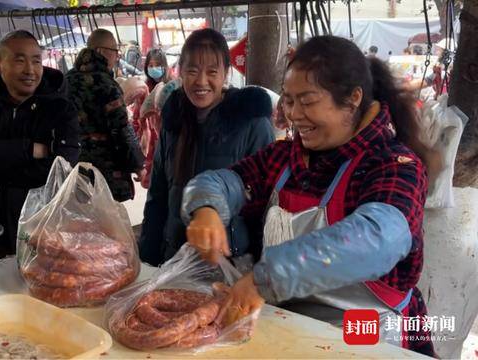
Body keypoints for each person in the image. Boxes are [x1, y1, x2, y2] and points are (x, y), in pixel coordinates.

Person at [181, 35, 436, 357]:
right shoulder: (282, 158)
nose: (294, 114)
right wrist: (206, 208)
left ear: (353, 98)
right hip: (288, 325)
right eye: (288, 100)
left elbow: (378, 239)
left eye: (308, 100)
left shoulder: (395, 165)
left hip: (368, 332)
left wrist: (266, 278)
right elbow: (218, 182)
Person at [138, 28, 275, 267]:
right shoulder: (173, 122)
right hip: (174, 259)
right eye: (192, 71)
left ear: (226, 74)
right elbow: (157, 197)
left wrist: (258, 270)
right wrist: (147, 259)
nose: (201, 81)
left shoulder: (252, 123)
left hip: (227, 265)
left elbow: (265, 205)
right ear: (180, 72)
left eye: (212, 71)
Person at [0, 30, 80, 260]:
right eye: (19, 60)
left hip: (42, 227)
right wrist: (29, 150)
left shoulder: (61, 109)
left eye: (36, 61)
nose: (30, 70)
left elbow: (61, 168)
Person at [66, 29, 144, 202]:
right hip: (103, 171)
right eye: (115, 51)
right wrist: (138, 165)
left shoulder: (67, 80)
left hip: (72, 167)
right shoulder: (107, 85)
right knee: (104, 225)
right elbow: (121, 128)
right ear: (101, 51)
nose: (117, 57)